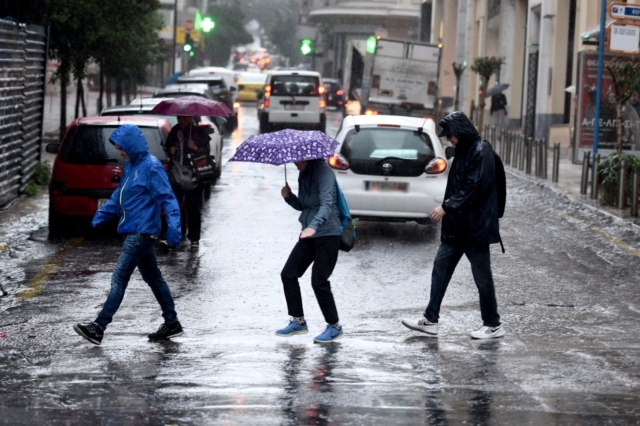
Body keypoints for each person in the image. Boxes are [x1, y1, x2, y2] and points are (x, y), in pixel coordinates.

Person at [73, 124, 183, 345]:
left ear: (131, 145)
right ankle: (172, 323)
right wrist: (101, 215)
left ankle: (99, 326)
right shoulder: (131, 167)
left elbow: (168, 199)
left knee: (119, 279)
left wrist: (174, 230)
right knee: (154, 278)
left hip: (140, 233)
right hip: (136, 231)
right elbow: (120, 196)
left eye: (121, 148)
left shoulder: (151, 167)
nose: (119, 152)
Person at [401, 111, 504, 340]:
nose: (450, 140)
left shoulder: (481, 150)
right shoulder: (464, 151)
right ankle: (430, 319)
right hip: (458, 228)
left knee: (482, 277)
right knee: (440, 270)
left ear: (461, 133)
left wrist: (446, 207)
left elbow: (473, 187)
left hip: (475, 229)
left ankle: (493, 324)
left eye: (452, 136)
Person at [277, 159, 344, 343]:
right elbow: (306, 206)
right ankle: (298, 321)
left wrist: (313, 227)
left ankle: (334, 326)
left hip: (328, 235)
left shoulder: (324, 173)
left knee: (318, 281)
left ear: (308, 157)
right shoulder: (304, 173)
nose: (294, 163)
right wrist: (290, 198)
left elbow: (326, 205)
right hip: (309, 235)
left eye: (297, 159)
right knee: (288, 274)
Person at [164, 115, 211, 248]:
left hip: (195, 175)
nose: (181, 120)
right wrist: (171, 150)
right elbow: (167, 149)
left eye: (184, 117)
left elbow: (207, 151)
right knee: (176, 206)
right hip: (177, 175)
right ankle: (179, 233)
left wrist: (195, 148)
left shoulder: (198, 132)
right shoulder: (174, 131)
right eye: (179, 117)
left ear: (190, 117)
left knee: (193, 207)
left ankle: (194, 237)